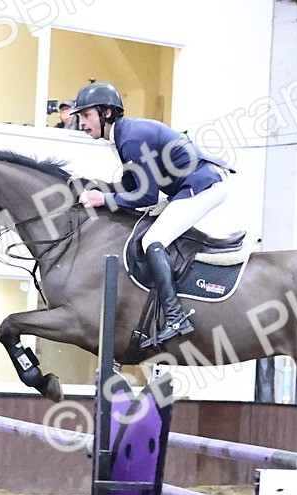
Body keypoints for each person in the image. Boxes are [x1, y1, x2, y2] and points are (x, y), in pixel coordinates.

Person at [72, 81, 233, 348]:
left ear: (107, 113)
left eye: (86, 115)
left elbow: (146, 197)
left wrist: (103, 198)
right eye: (80, 117)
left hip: (204, 184)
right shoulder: (122, 137)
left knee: (152, 241)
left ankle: (175, 317)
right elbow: (131, 187)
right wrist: (94, 187)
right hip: (188, 186)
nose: (81, 123)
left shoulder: (131, 139)